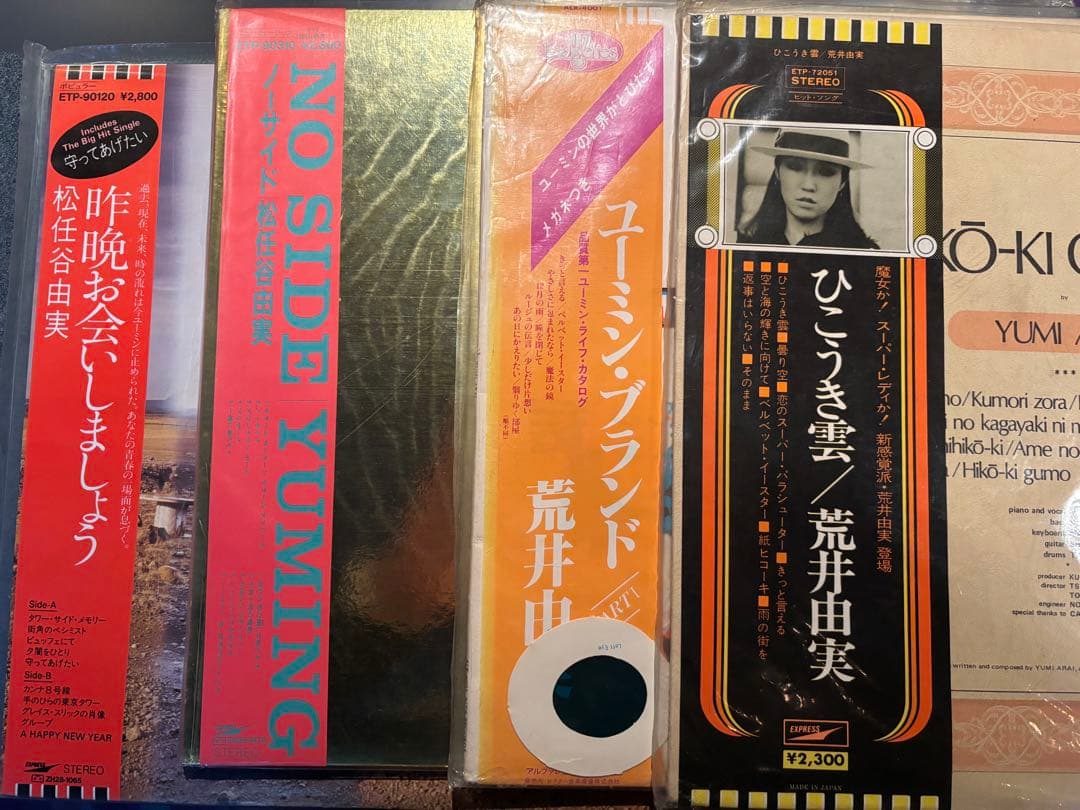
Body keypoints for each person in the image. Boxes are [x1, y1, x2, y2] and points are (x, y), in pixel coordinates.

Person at [737, 128, 879, 249]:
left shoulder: (865, 255)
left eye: (826, 172)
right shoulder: (746, 246)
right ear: (777, 171)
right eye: (795, 167)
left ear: (842, 182)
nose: (808, 186)